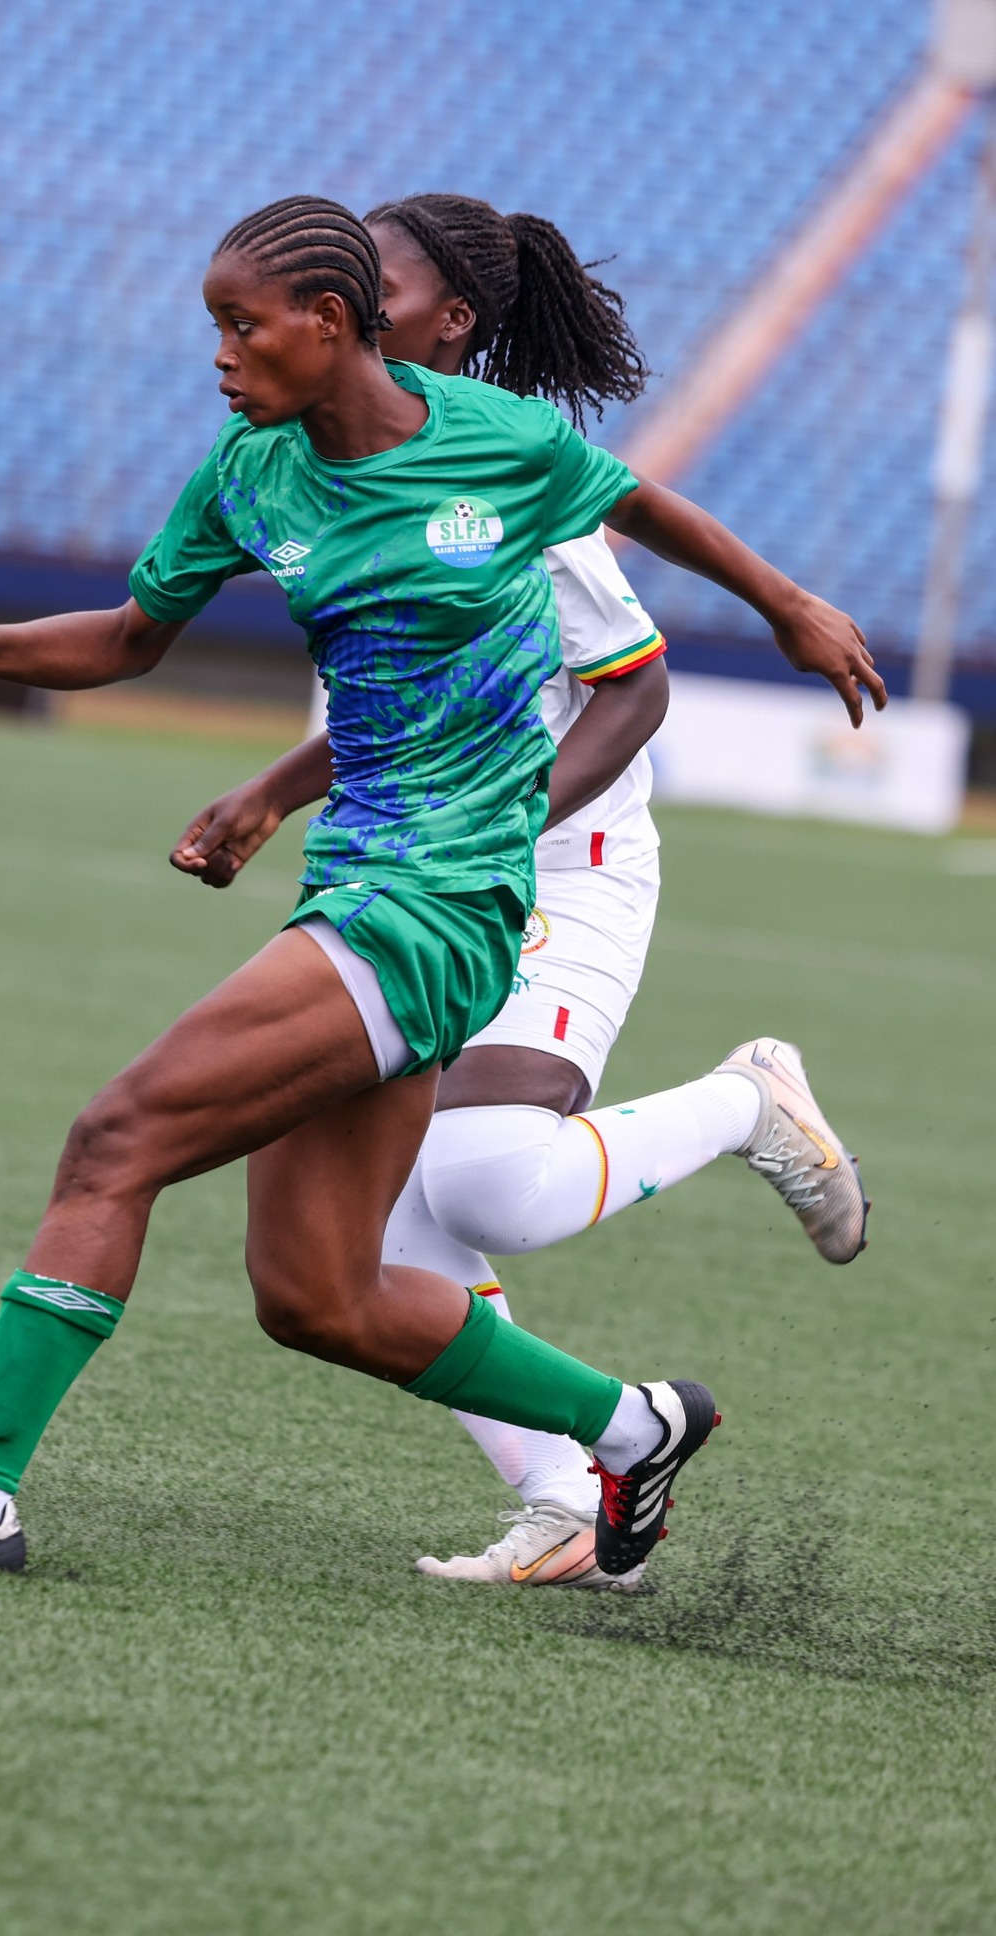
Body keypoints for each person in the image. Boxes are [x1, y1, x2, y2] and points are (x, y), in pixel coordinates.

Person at [0, 195, 883, 1580]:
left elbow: (643, 508)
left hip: (432, 909)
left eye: (240, 325)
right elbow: (132, 637)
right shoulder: (249, 471)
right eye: (213, 326)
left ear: (330, 322)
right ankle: (631, 1427)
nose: (219, 354)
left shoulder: (498, 446)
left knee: (115, 1138)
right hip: (360, 881)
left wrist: (787, 605)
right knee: (316, 1295)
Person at [171, 193, 869, 1592]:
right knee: (379, 1210)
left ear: (441, 323)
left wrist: (490, 835)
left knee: (485, 1182)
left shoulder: (505, 478)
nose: (351, 294)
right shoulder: (330, 456)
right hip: (412, 874)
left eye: (378, 279)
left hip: (553, 867)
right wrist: (272, 790)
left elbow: (633, 688)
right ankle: (567, 1490)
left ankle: (746, 1099)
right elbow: (411, 703)